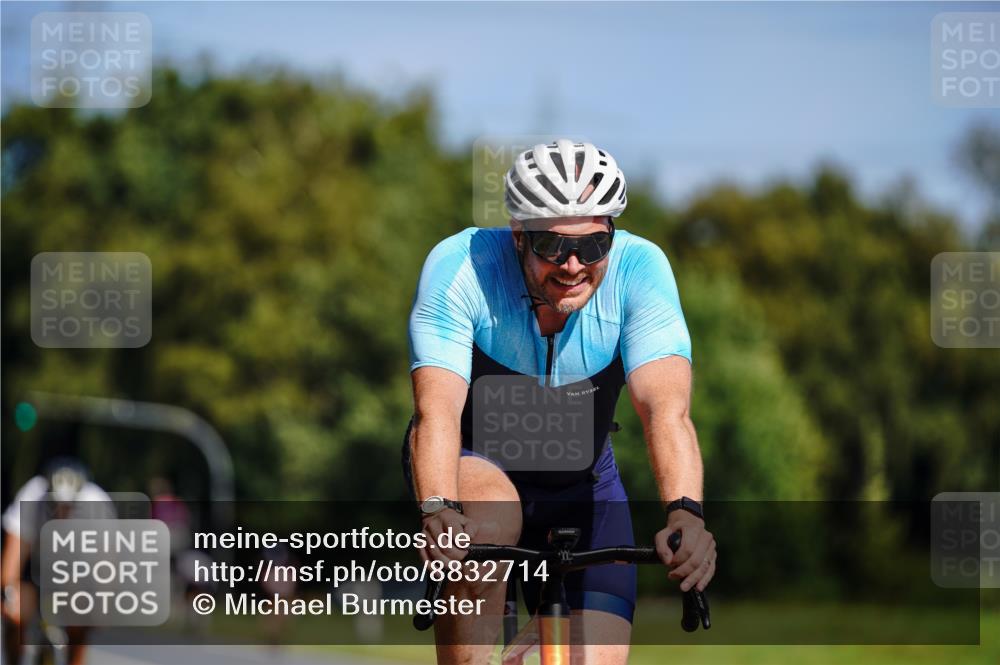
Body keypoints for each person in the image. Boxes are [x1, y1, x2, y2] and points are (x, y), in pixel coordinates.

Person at [402, 139, 717, 664]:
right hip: (477, 468)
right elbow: (435, 412)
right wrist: (438, 509)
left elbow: (668, 412)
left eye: (593, 246)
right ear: (519, 236)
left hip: (584, 482)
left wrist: (687, 515)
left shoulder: (641, 271)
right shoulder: (462, 265)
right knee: (487, 525)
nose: (573, 264)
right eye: (552, 245)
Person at [1, 457, 115, 665]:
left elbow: (105, 563)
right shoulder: (32, 495)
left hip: (76, 572)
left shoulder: (96, 503)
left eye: (68, 506)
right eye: (56, 504)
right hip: (34, 568)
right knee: (14, 616)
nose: (61, 512)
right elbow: (12, 556)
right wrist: (8, 592)